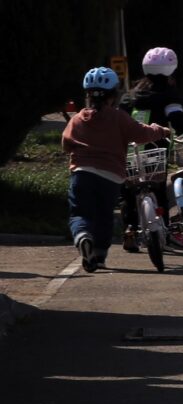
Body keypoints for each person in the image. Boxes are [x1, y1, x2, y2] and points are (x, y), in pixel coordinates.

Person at [62, 66, 170, 272]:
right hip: (111, 176)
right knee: (105, 216)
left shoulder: (76, 120)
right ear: (114, 95)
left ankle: (83, 237)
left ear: (87, 94)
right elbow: (141, 133)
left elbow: (66, 144)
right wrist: (161, 130)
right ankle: (100, 256)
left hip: (81, 174)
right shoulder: (118, 117)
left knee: (80, 214)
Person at [119, 47, 183, 251]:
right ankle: (163, 233)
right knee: (158, 190)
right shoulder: (167, 95)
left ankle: (130, 229)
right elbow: (178, 121)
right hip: (155, 149)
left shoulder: (130, 96)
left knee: (130, 191)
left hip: (130, 151)